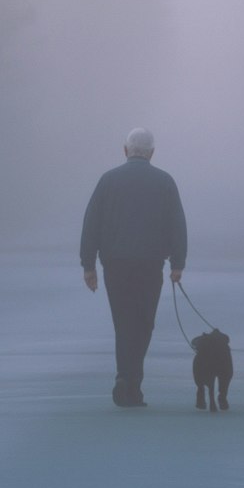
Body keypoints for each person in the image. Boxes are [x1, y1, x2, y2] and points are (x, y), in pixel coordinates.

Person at [79, 126, 188, 407]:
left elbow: (91, 223)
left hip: (115, 265)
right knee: (143, 322)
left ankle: (125, 378)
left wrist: (88, 265)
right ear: (152, 153)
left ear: (125, 150)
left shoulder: (108, 181)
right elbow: (177, 225)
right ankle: (132, 382)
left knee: (123, 321)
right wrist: (178, 264)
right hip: (150, 265)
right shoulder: (165, 182)